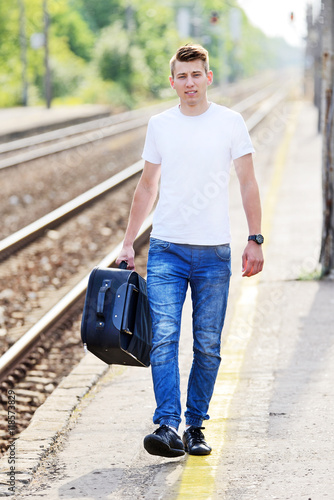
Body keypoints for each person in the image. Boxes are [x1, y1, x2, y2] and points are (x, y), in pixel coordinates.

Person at [116, 44, 264, 458]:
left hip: (214, 253)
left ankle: (195, 426)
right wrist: (128, 241)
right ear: (172, 82)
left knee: (207, 346)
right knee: (162, 340)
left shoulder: (230, 122)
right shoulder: (160, 125)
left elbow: (249, 182)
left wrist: (255, 237)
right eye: (181, 76)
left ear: (208, 77)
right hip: (166, 250)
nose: (189, 83)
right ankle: (166, 425)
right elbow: (147, 186)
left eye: (196, 74)